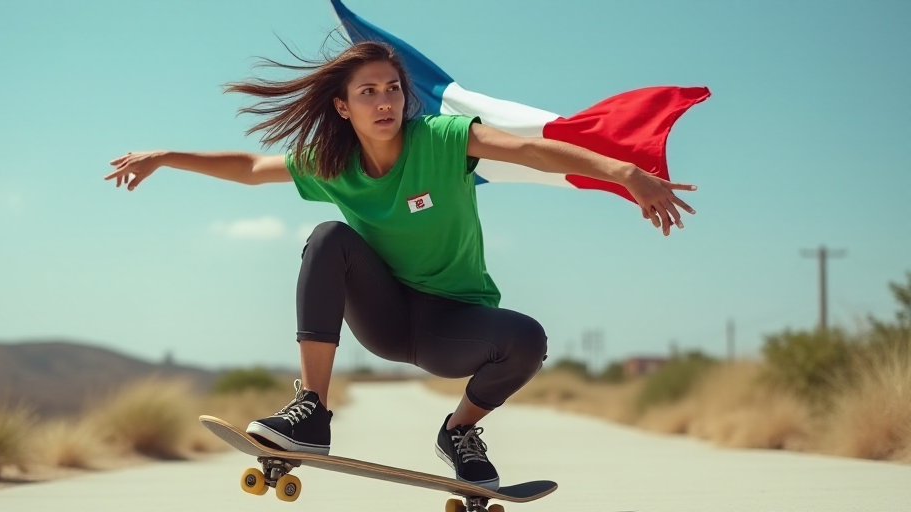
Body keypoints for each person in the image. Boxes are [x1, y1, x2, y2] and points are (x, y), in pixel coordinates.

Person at [105, 41, 696, 490]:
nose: (385, 101)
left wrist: (623, 172)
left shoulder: (441, 138)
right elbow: (251, 169)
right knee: (329, 236)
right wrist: (165, 157)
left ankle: (459, 431)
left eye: (392, 88)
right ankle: (312, 409)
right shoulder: (331, 162)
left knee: (527, 340)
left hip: (453, 325)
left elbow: (532, 151)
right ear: (343, 107)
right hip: (384, 314)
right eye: (368, 92)